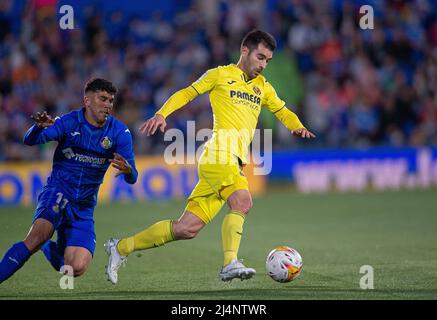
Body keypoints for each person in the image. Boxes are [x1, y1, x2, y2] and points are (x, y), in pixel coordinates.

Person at [105, 30, 315, 284]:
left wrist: (297, 125)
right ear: (244, 51)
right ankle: (230, 263)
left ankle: (120, 247)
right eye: (260, 57)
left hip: (231, 161)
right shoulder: (220, 74)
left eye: (267, 60)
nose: (263, 64)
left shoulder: (263, 87)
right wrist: (162, 113)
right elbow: (187, 93)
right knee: (242, 202)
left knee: (186, 229)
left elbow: (282, 110)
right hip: (218, 154)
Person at [0, 78, 138, 283]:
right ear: (87, 101)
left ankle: (47, 246)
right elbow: (30, 140)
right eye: (102, 99)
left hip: (83, 207)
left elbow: (133, 178)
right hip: (57, 194)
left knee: (75, 268)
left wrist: (128, 170)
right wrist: (37, 128)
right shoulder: (68, 122)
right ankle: (40, 242)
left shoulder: (119, 132)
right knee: (35, 238)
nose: (108, 104)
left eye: (110, 100)